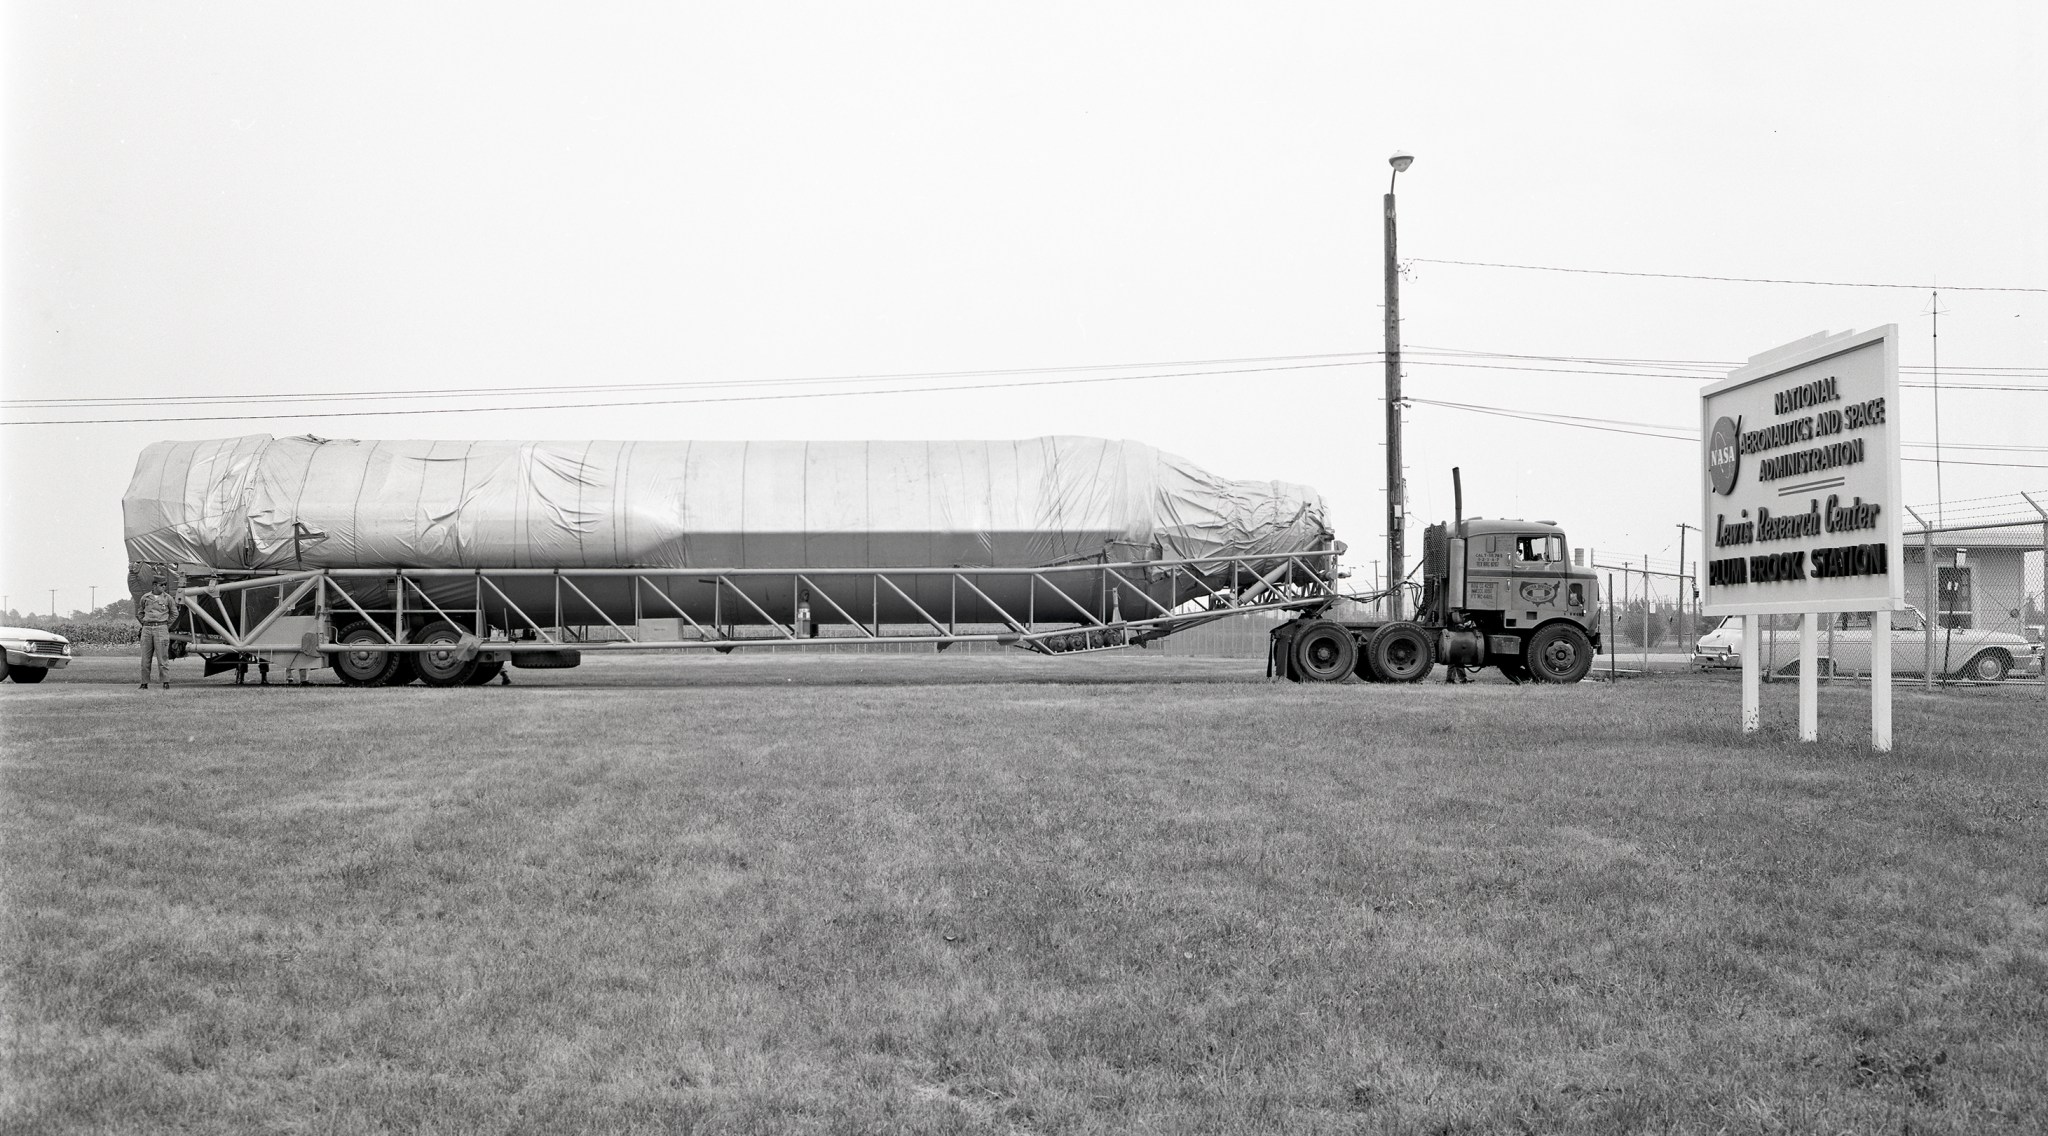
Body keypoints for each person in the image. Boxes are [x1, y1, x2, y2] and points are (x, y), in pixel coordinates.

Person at [137, 577, 178, 689]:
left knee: (162, 658)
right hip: (147, 629)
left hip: (161, 629)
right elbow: (140, 613)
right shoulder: (145, 597)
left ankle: (165, 682)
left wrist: (165, 624)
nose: (164, 587)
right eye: (161, 585)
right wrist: (144, 623)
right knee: (145, 659)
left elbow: (174, 614)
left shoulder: (168, 598)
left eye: (165, 585)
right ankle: (144, 683)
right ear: (154, 585)